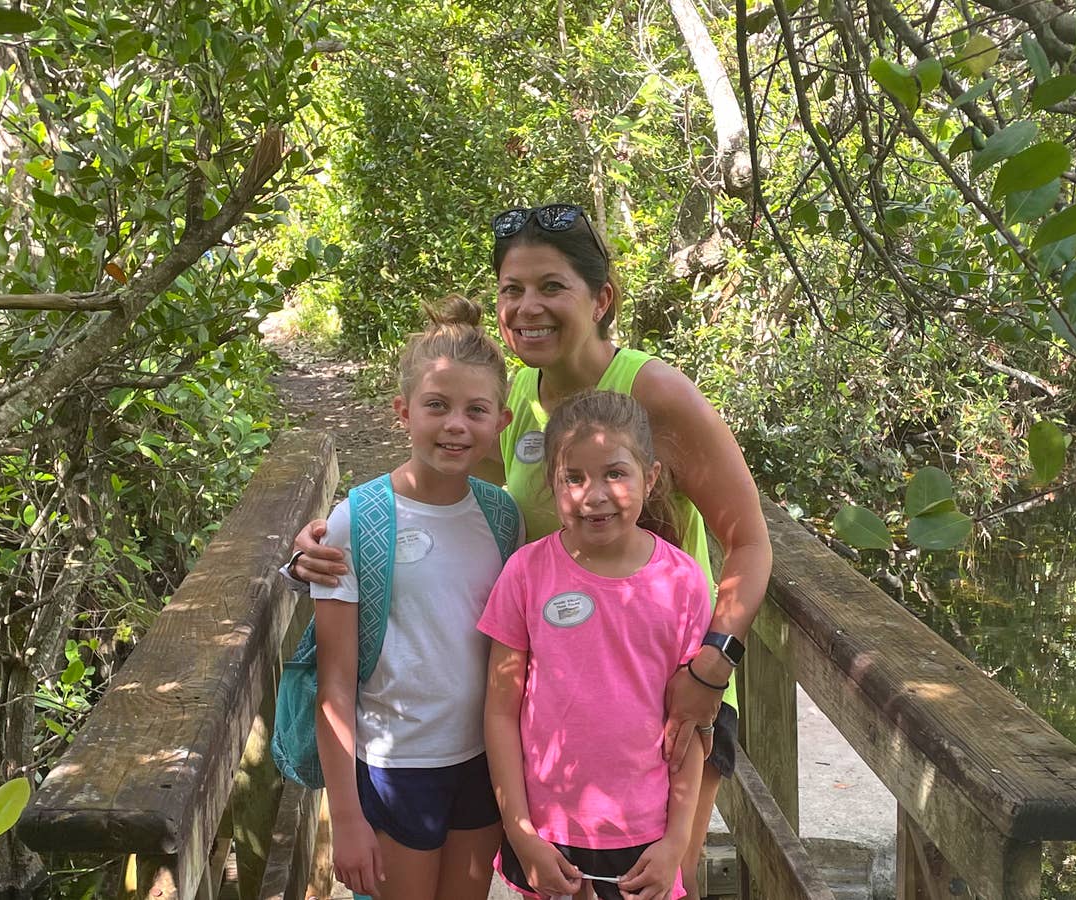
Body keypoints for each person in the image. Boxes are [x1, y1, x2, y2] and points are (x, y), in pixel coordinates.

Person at [290, 203, 772, 898]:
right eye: (512, 290)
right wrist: (327, 535)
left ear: (601, 298)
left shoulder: (654, 393)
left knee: (658, 884)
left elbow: (750, 542)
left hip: (668, 703)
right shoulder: (513, 392)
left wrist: (712, 664)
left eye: (551, 286)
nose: (527, 308)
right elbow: (452, 511)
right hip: (557, 721)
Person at [311, 295, 522, 900]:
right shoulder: (359, 519)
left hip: (482, 761)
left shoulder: (502, 516)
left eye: (475, 410)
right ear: (403, 412)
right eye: (437, 406)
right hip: (394, 765)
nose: (456, 425)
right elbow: (335, 684)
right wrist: (346, 819)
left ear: (500, 423)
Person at [480, 390, 709, 900]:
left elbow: (692, 726)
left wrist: (677, 840)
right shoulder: (526, 573)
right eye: (574, 477)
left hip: (645, 834)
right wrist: (520, 832)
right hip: (548, 831)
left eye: (614, 473)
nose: (594, 494)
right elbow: (500, 710)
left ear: (649, 479)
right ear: (552, 484)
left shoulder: (683, 581)